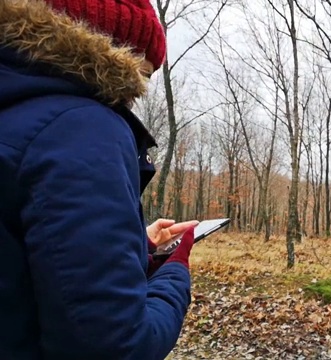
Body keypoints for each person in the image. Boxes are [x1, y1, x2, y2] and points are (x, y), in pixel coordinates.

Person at [0, 0, 199, 358]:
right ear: (111, 51)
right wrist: (175, 272)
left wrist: (138, 249)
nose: (138, 94)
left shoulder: (17, 107)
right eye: (143, 75)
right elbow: (115, 347)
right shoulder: (81, 128)